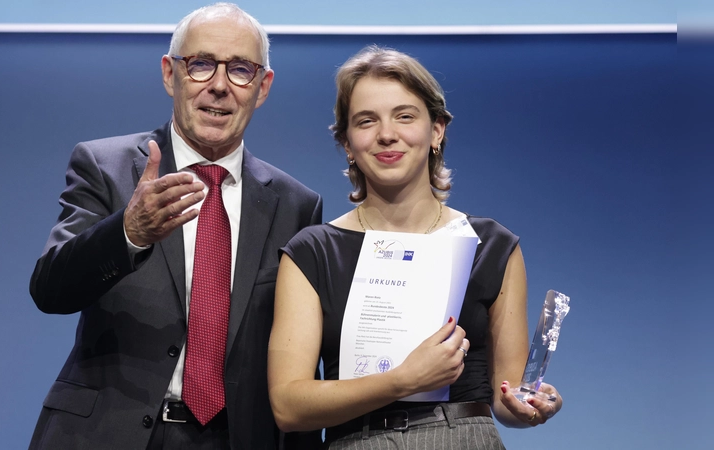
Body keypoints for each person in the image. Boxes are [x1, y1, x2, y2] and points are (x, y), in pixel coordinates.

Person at [28, 3, 322, 449]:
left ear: (263, 87)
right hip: (109, 432)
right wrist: (128, 233)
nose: (220, 86)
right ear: (170, 74)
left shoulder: (297, 205)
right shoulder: (105, 167)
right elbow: (51, 290)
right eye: (201, 64)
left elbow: (299, 360)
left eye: (241, 70)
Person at [267, 45, 562, 449]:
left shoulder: (491, 246)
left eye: (405, 116)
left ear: (436, 129)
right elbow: (288, 406)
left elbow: (506, 400)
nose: (387, 134)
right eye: (366, 121)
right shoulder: (314, 252)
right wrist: (402, 381)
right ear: (348, 144)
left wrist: (530, 406)